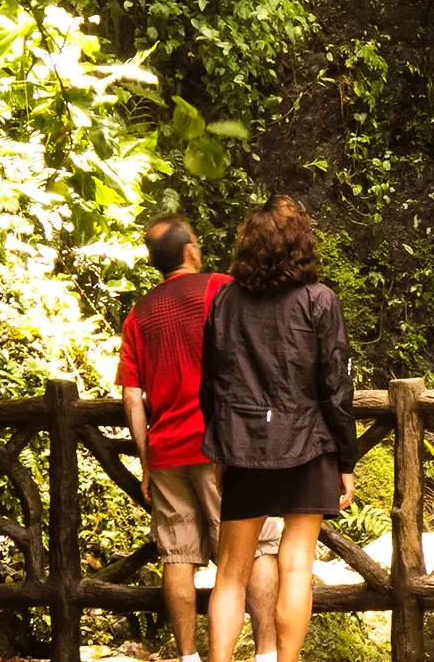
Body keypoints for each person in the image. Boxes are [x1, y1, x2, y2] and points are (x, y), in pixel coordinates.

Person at [118, 214, 282, 662]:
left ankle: (188, 657)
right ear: (191, 249)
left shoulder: (138, 314)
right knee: (258, 547)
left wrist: (146, 460)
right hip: (222, 445)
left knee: (177, 555)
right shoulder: (221, 289)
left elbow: (132, 396)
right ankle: (267, 654)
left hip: (166, 453)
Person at [201, 196, 357, 662]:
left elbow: (212, 383)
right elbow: (336, 387)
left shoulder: (226, 300)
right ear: (302, 243)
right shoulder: (319, 300)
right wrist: (346, 460)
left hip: (244, 445)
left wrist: (220, 449)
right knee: (296, 567)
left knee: (231, 572)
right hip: (308, 443)